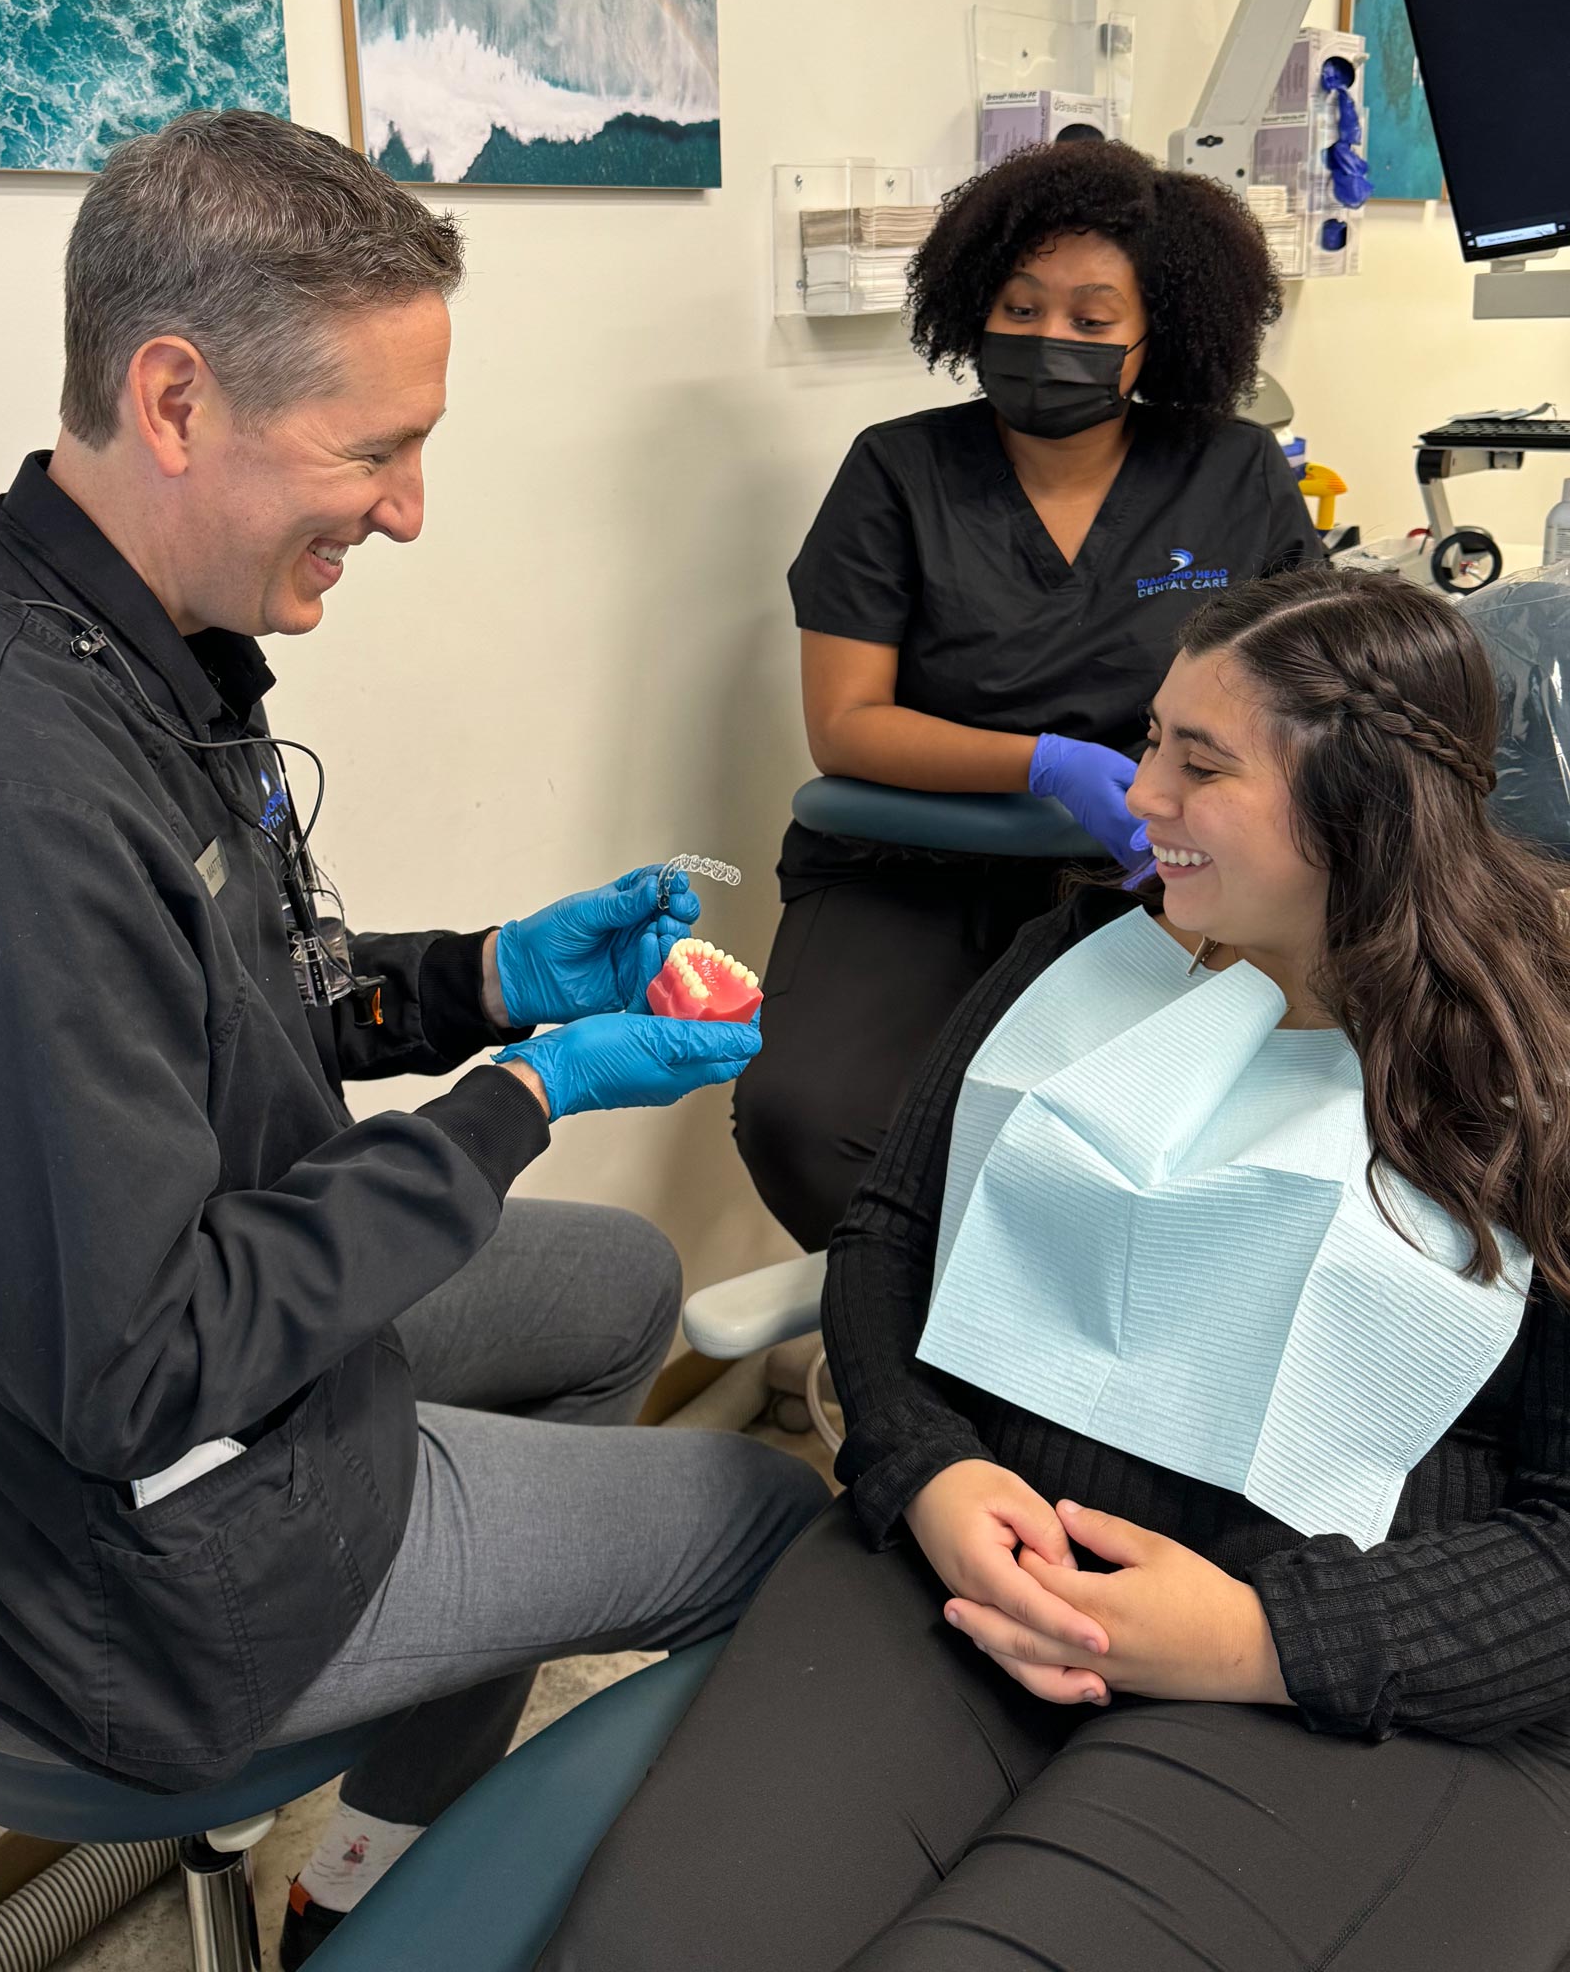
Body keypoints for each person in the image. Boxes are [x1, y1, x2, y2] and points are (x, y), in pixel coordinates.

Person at [0, 111, 826, 1965]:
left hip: (184, 1354)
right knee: (765, 1521)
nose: (410, 509)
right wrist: (521, 1099)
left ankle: (358, 1882)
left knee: (618, 1286)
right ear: (173, 400)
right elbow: (141, 1369)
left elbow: (246, 996)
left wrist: (499, 976)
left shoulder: (131, 655)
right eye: (379, 450)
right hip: (137, 1550)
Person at [548, 566, 1570, 1972]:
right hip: (981, 1559)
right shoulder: (1084, 956)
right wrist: (929, 1471)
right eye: (1154, 740)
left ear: (1365, 804)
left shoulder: (1538, 1069)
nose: (1141, 797)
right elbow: (890, 1237)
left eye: (1199, 765)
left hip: (1335, 1662)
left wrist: (1259, 1636)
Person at [734, 138, 1324, 1251]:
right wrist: (1049, 765)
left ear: (1159, 335)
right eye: (1019, 306)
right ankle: (920, 1343)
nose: (1051, 339)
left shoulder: (1234, 471)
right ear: (972, 308)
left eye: (1094, 319)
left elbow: (1307, 688)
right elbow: (846, 725)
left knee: (1152, 1134)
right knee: (807, 1118)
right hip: (911, 874)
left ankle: (1048, 1374)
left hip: (1155, 874)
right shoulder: (897, 472)